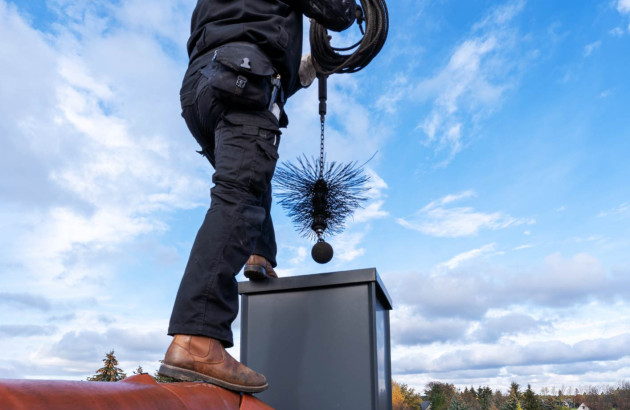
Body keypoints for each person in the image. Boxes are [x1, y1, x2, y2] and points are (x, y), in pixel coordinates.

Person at [159, 0, 356, 393]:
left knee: (249, 175)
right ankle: (197, 339)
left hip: (202, 87)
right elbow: (337, 12)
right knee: (240, 194)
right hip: (240, 77)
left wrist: (302, 71)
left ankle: (259, 255)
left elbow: (247, 36)